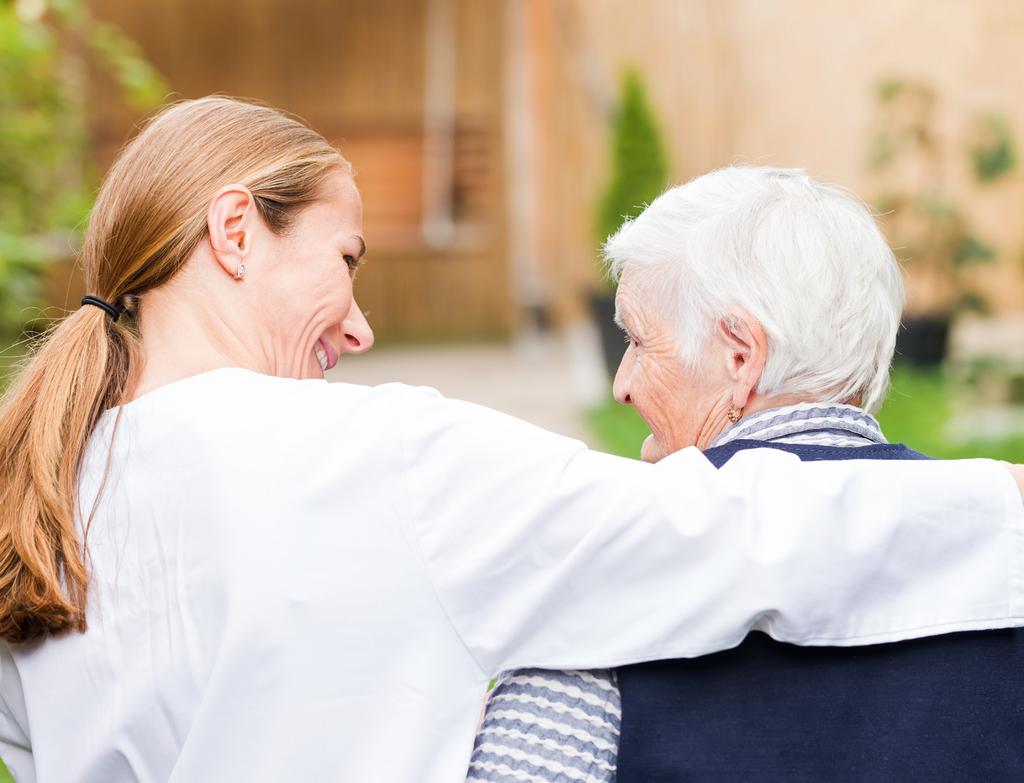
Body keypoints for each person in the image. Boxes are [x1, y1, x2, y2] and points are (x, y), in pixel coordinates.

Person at [0, 101, 1021, 783]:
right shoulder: (377, 458)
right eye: (346, 259)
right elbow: (728, 528)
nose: (358, 327)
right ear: (234, 232)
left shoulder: (41, 509)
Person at [467, 167, 1024, 783]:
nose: (621, 386)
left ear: (740, 354)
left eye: (637, 341)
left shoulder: (601, 577)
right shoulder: (1001, 537)